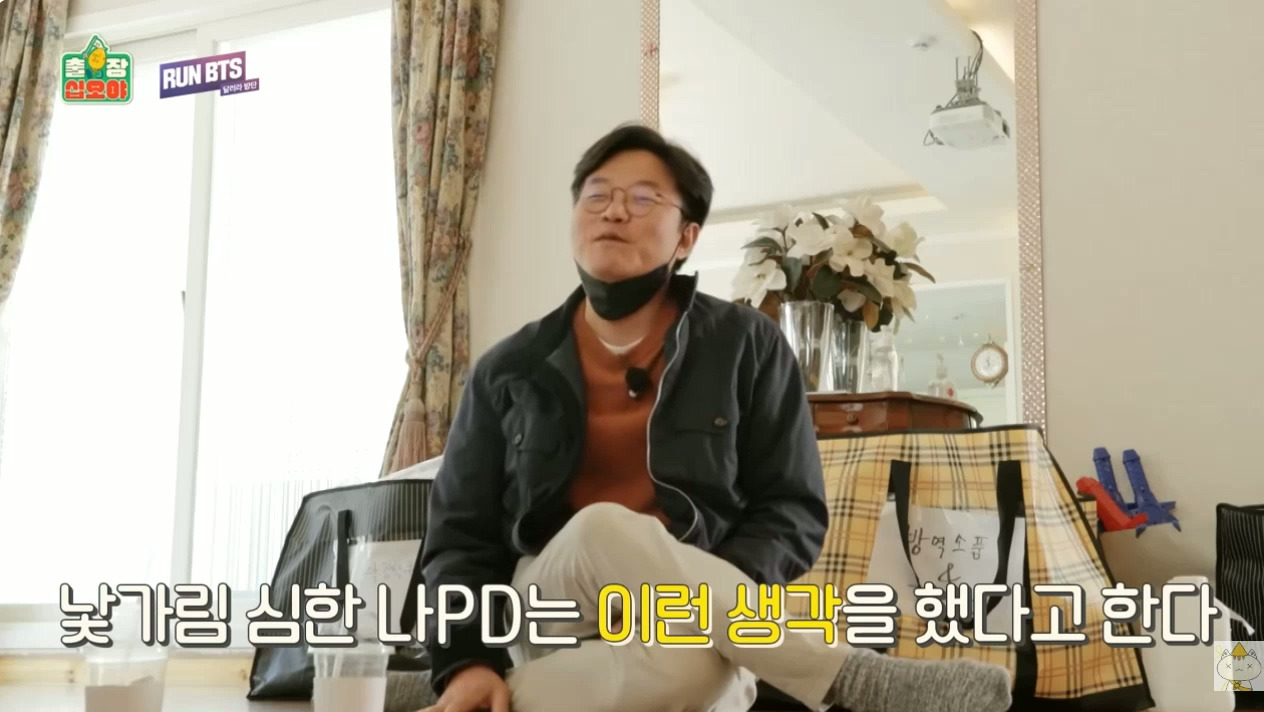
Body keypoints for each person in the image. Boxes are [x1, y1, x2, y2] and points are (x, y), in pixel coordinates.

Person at [386, 124, 1013, 712]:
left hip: (686, 619)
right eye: (596, 196)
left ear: (685, 238)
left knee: (699, 667)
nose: (613, 211)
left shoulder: (746, 345)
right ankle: (854, 677)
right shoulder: (508, 369)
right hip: (550, 602)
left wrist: (701, 598)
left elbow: (792, 510)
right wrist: (467, 657)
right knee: (604, 528)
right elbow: (459, 538)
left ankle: (463, 698)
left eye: (642, 198)